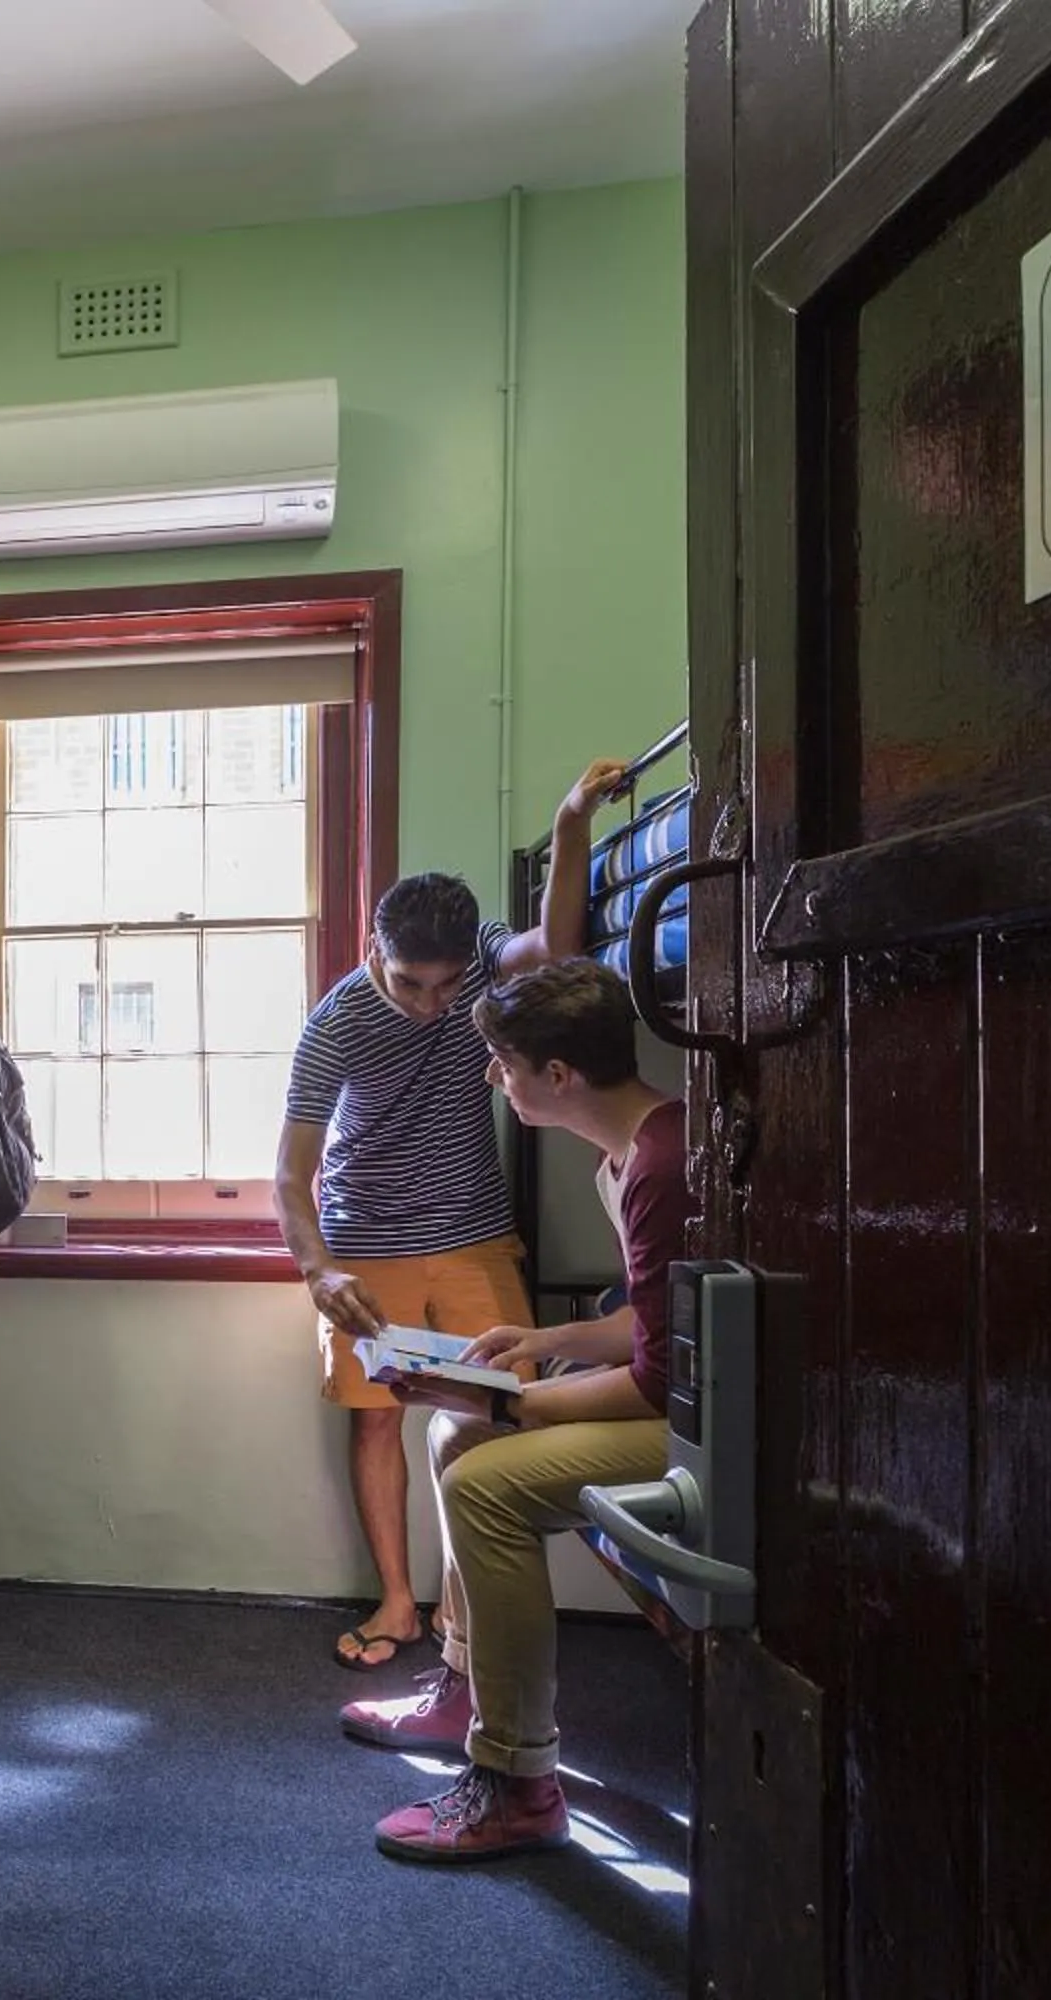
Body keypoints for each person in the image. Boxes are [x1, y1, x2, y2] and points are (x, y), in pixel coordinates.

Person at [279, 758, 631, 1670]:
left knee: (496, 1411)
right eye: (410, 984)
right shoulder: (336, 1024)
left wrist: (568, 819)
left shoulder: (484, 966)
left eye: (447, 986)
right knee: (378, 1420)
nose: (435, 1004)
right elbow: (290, 1172)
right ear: (372, 953)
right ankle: (398, 1603)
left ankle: (461, 1620)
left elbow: (555, 949)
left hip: (474, 1231)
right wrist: (320, 1270)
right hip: (367, 1246)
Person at [341, 957, 692, 1863]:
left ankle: (518, 1778)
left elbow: (659, 1382)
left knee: (488, 1478)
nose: (495, 1077)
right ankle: (464, 1682)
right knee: (458, 1429)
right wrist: (537, 1346)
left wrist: (520, 1404)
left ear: (558, 1077)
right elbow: (648, 1326)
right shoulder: (632, 1151)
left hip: (704, 1425)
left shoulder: (660, 1166)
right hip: (685, 1394)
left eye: (503, 1061)